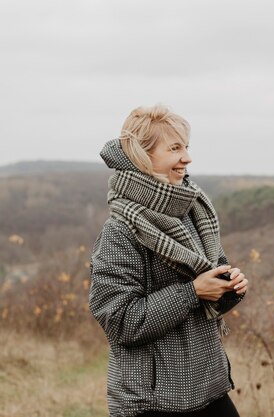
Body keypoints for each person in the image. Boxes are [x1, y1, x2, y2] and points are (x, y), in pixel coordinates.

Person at [89, 104, 248, 417]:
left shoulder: (192, 211)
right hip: (152, 400)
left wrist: (229, 289)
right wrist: (192, 293)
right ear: (142, 157)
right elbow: (119, 321)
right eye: (175, 148)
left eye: (186, 147)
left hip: (208, 385)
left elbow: (210, 295)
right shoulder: (120, 231)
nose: (187, 157)